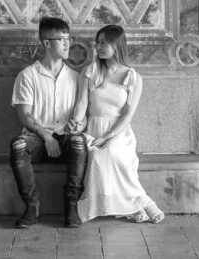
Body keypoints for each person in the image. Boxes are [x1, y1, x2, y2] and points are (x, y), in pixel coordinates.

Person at [71, 24, 164, 224]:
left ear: (117, 44)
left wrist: (109, 136)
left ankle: (142, 201)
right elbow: (82, 104)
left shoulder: (133, 77)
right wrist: (76, 122)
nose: (100, 46)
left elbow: (128, 115)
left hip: (119, 132)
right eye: (98, 42)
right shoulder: (91, 71)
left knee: (112, 153)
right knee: (97, 156)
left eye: (105, 42)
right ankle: (133, 207)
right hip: (95, 128)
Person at [9, 17, 87, 228]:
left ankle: (71, 207)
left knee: (79, 141)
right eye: (62, 39)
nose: (68, 44)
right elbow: (25, 116)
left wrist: (78, 125)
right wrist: (46, 136)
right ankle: (32, 207)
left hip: (66, 140)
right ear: (46, 42)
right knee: (18, 145)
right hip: (37, 139)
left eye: (69, 39)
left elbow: (83, 114)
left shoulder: (75, 77)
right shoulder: (28, 76)